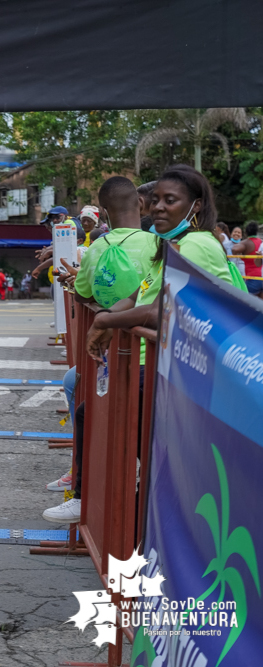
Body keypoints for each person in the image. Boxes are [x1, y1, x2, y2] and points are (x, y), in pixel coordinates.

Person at [54, 166, 244, 524]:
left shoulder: (198, 245)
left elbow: (170, 308)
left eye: (169, 201)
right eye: (154, 200)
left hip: (186, 368)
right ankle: (118, 504)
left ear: (196, 206)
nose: (157, 207)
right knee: (99, 417)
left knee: (111, 423)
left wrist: (108, 320)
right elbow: (139, 293)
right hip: (157, 358)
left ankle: (108, 503)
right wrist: (108, 316)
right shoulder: (167, 244)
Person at [42, 177, 157, 504]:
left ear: (104, 212)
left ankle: (82, 495)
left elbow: (85, 294)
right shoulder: (158, 247)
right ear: (142, 204)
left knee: (81, 401)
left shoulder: (98, 249)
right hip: (154, 358)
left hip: (110, 359)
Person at [231, 220, 262, 299]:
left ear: (246, 232)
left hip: (252, 278)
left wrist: (240, 253)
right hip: (261, 276)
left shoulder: (246, 242)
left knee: (246, 303)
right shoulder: (261, 242)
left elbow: (234, 249)